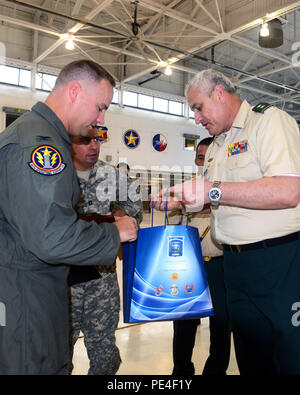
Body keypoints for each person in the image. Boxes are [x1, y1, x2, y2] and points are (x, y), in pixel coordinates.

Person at [153, 69, 300, 375]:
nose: (196, 118)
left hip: (278, 262)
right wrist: (180, 200)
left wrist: (211, 190)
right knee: (250, 355)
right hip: (234, 266)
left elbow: (289, 191)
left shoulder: (269, 122)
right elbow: (215, 195)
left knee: (289, 353)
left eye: (198, 107)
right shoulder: (218, 144)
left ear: (219, 93)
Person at [0, 59, 137, 375]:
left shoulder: (38, 136)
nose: (99, 119)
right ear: (75, 91)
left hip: (34, 295)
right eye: (100, 107)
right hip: (26, 305)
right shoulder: (39, 146)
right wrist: (115, 233)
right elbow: (51, 235)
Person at [69, 130, 143, 375]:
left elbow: (135, 207)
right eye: (85, 140)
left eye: (97, 141)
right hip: (61, 279)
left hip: (100, 278)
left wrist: (123, 215)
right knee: (57, 350)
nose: (94, 146)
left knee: (104, 352)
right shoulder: (54, 171)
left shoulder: (111, 175)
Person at [172, 138, 233, 376]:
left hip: (220, 266)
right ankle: (181, 371)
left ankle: (216, 371)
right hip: (190, 267)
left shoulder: (228, 191)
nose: (203, 162)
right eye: (200, 157)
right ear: (196, 160)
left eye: (208, 158)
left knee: (221, 324)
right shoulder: (184, 191)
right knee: (184, 323)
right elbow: (173, 229)